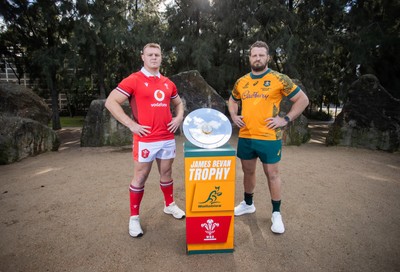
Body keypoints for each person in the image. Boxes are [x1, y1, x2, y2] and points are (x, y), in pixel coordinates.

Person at [105, 43, 185, 238]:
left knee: (166, 172)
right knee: (140, 176)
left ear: (161, 57)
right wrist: (131, 124)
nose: (154, 58)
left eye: (157, 54)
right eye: (150, 54)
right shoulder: (134, 80)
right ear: (143, 57)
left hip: (166, 137)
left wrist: (178, 117)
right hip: (145, 139)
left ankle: (169, 205)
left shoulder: (167, 82)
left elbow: (178, 102)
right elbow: (110, 102)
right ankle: (134, 218)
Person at [228, 41, 309, 234]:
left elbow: (303, 99)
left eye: (261, 55)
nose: (257, 58)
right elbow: (232, 99)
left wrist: (285, 119)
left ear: (268, 57)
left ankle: (276, 213)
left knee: (272, 174)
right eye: (254, 55)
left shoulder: (278, 78)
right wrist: (233, 115)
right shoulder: (242, 81)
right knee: (248, 172)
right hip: (246, 136)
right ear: (249, 58)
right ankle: (248, 204)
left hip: (269, 136)